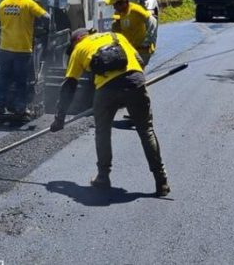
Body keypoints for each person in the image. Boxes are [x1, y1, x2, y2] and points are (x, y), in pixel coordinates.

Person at [49, 28, 170, 197]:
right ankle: (161, 180)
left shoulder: (79, 49)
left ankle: (103, 177)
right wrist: (131, 88)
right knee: (146, 130)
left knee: (103, 132)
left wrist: (59, 118)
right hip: (135, 81)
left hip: (106, 90)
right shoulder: (117, 36)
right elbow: (140, 62)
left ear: (77, 40)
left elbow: (69, 86)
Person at [0, 0, 50, 119]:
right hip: (22, 49)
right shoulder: (28, 4)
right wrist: (43, 29)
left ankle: (0, 105)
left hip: (5, 48)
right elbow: (46, 17)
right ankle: (20, 107)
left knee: (3, 78)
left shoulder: (3, 4)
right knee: (21, 80)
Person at [106, 0, 157, 68]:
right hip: (130, 48)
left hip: (142, 50)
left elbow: (152, 21)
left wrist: (149, 41)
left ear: (123, 3)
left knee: (135, 70)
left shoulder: (136, 10)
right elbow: (115, 25)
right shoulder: (118, 13)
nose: (114, 7)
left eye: (115, 5)